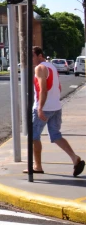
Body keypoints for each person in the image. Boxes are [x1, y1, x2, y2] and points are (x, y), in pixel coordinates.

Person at [28, 46, 84, 176]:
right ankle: (75, 158)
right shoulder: (51, 66)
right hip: (56, 106)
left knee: (34, 136)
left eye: (32, 56)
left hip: (44, 107)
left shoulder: (40, 68)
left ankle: (37, 166)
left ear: (39, 55)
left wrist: (40, 108)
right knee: (56, 135)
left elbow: (43, 89)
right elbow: (58, 86)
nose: (30, 59)